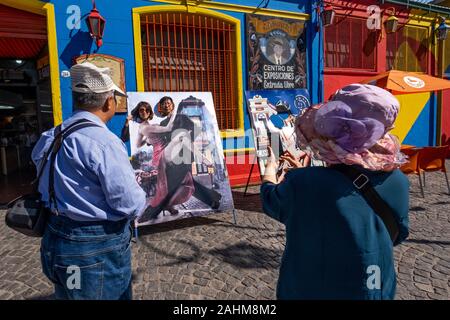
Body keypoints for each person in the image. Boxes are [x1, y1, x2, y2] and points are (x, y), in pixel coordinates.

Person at [260, 83, 410, 300]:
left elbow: (270, 200)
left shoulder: (303, 183)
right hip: (374, 286)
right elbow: (394, 236)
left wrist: (270, 170)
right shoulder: (398, 181)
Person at [32, 62, 147, 300]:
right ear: (108, 102)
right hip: (93, 250)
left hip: (56, 240)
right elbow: (130, 203)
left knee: (68, 294)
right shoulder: (104, 142)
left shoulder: (49, 136)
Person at [137, 96, 222, 222]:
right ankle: (213, 199)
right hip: (171, 157)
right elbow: (162, 141)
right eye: (164, 104)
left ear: (172, 106)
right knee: (187, 182)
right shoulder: (163, 124)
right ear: (161, 107)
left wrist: (184, 142)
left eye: (169, 103)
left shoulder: (182, 117)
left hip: (185, 155)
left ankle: (152, 212)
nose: (167, 105)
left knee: (172, 184)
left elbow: (195, 130)